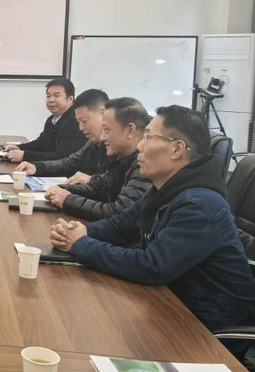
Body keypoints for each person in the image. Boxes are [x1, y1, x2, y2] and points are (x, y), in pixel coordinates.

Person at [49, 105, 255, 356]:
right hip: (171, 303)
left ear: (177, 149)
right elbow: (120, 226)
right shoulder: (165, 189)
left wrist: (81, 244)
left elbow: (152, 266)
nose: (139, 146)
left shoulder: (199, 204)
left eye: (148, 137)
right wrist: (79, 231)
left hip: (206, 328)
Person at [44, 97, 151, 221]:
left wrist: (68, 200)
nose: (102, 138)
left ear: (130, 130)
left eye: (107, 130)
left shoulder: (146, 164)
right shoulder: (121, 158)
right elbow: (99, 188)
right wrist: (62, 189)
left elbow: (119, 212)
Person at [15, 88, 109, 184]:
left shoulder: (116, 145)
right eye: (79, 122)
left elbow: (114, 184)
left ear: (103, 113)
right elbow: (71, 163)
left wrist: (90, 179)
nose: (81, 128)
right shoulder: (93, 142)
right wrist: (37, 167)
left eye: (84, 121)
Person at [4, 77, 85, 164]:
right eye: (48, 96)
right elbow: (41, 143)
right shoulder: (52, 119)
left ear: (70, 99)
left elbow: (63, 157)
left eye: (56, 96)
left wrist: (25, 155)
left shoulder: (75, 121)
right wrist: (19, 148)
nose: (51, 100)